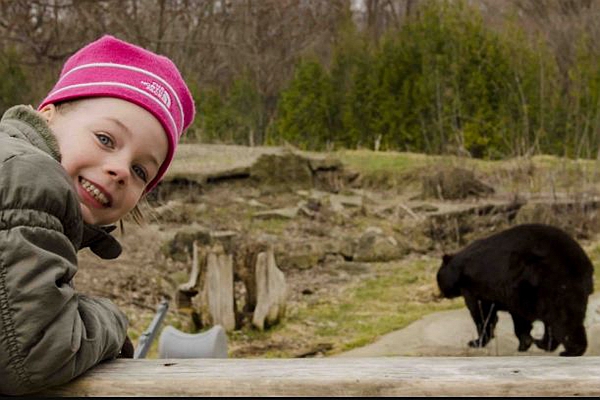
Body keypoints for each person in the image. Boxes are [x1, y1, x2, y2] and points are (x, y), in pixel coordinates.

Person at [0, 34, 195, 395]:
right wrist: (112, 320)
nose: (120, 170)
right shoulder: (27, 176)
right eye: (106, 139)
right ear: (48, 115)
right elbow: (31, 354)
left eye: (140, 171)